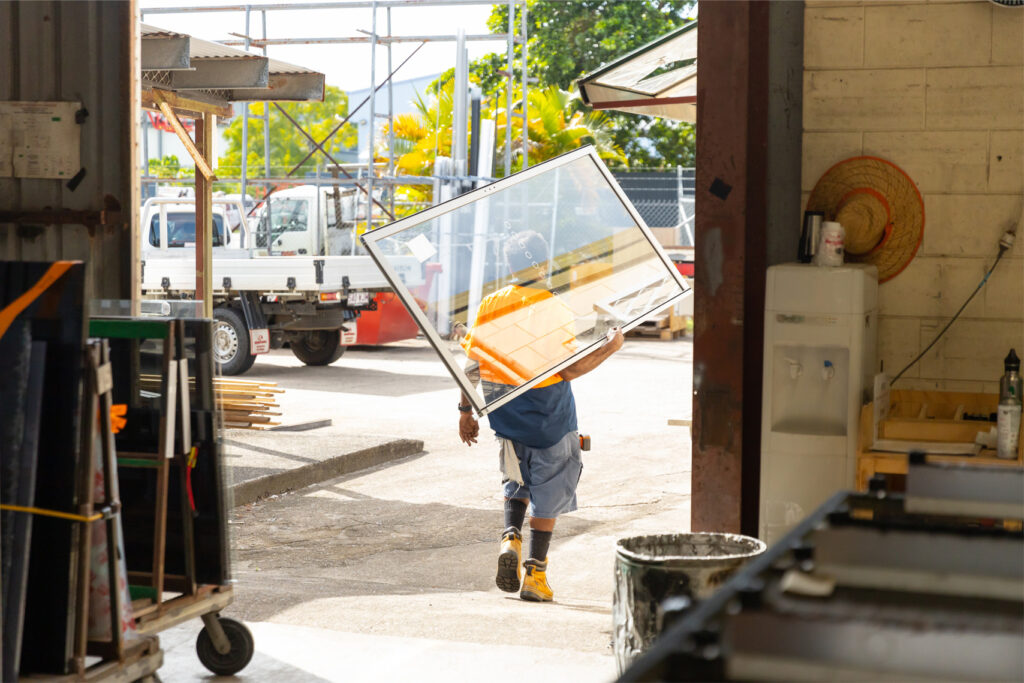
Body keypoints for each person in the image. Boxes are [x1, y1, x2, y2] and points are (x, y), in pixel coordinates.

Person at [458, 230, 624, 602]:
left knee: (516, 480)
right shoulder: (555, 308)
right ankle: (535, 575)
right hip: (550, 417)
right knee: (550, 491)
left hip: (505, 415)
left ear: (509, 265)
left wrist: (465, 411)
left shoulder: (491, 304)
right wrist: (611, 347)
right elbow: (569, 370)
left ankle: (510, 538)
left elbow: (472, 365)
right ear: (545, 263)